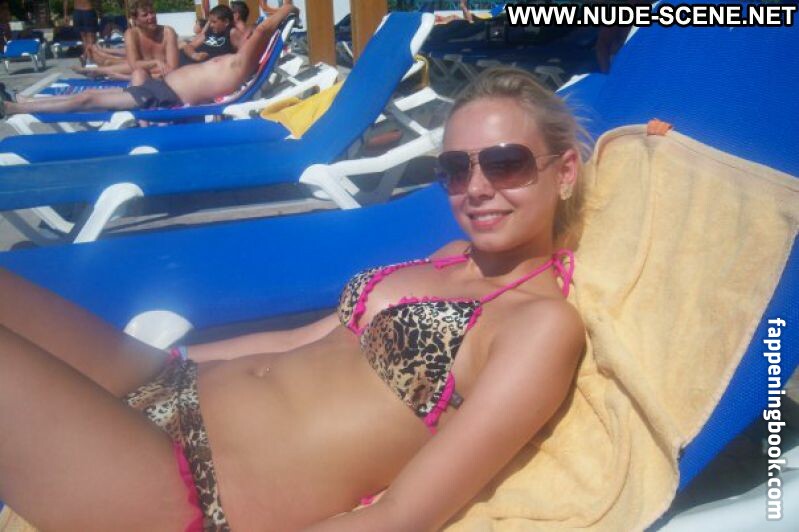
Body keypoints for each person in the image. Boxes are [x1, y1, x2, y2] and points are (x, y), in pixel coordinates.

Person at [0, 65, 586, 530]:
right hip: (172, 385)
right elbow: (302, 340)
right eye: (456, 168)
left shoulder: (539, 326)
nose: (476, 187)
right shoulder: (451, 256)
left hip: (192, 488)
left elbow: (402, 515)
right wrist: (177, 359)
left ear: (564, 173)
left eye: (505, 163)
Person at [1, 0, 296, 117]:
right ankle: (24, 102)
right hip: (162, 87)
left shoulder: (241, 64)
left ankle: (14, 108)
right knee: (89, 96)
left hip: (165, 95)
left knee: (88, 99)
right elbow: (262, 31)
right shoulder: (237, 60)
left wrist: (286, 8)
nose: (247, 34)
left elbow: (263, 30)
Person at [71, 0, 179, 80]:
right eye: (145, 15)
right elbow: (134, 65)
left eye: (152, 13)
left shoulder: (167, 33)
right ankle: (98, 68)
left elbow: (172, 69)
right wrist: (155, 62)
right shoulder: (131, 34)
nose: (151, 17)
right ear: (135, 19)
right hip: (146, 70)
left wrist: (127, 75)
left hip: (151, 72)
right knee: (127, 64)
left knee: (117, 63)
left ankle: (99, 70)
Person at [71, 0, 99, 66]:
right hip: (87, 10)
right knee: (91, 37)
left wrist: (65, 14)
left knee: (84, 38)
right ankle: (89, 58)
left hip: (77, 11)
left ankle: (85, 57)